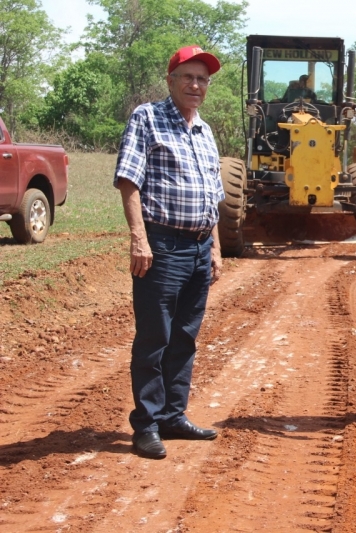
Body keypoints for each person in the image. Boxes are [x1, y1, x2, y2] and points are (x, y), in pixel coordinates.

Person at [114, 45, 225, 459]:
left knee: (184, 337)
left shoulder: (206, 130)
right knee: (154, 337)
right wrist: (139, 239)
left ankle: (173, 416)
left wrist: (214, 248)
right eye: (189, 77)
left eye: (202, 79)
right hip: (161, 246)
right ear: (171, 81)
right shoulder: (148, 117)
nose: (196, 85)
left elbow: (214, 194)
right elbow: (129, 180)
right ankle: (146, 423)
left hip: (198, 248)